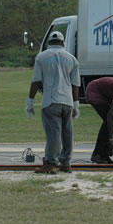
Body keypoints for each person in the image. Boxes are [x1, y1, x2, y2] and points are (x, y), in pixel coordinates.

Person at [25, 31, 80, 174]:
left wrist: (30, 101)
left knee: (53, 134)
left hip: (51, 101)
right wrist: (76, 103)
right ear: (62, 42)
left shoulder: (41, 57)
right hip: (67, 101)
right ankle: (66, 163)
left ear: (49, 42)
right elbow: (75, 84)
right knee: (67, 133)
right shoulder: (72, 59)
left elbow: (36, 81)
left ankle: (50, 163)